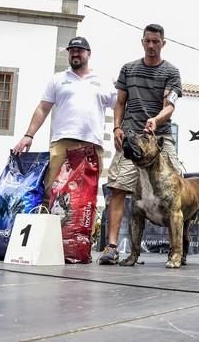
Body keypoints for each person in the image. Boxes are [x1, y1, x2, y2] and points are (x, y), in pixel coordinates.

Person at [99, 24, 183, 265]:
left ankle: (177, 251)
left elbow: (170, 105)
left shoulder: (171, 72)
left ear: (163, 43)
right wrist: (117, 127)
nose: (151, 45)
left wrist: (156, 120)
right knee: (118, 187)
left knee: (178, 188)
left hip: (160, 139)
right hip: (131, 139)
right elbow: (119, 102)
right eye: (148, 41)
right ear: (142, 41)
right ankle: (112, 247)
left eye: (156, 42)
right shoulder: (128, 69)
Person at [12, 36, 117, 207]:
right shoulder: (58, 79)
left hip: (91, 145)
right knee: (51, 190)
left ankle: (82, 234)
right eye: (72, 51)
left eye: (79, 51)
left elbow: (118, 106)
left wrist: (120, 130)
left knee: (86, 195)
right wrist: (28, 135)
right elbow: (43, 108)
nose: (75, 54)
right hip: (62, 142)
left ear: (88, 54)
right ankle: (47, 230)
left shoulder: (103, 80)